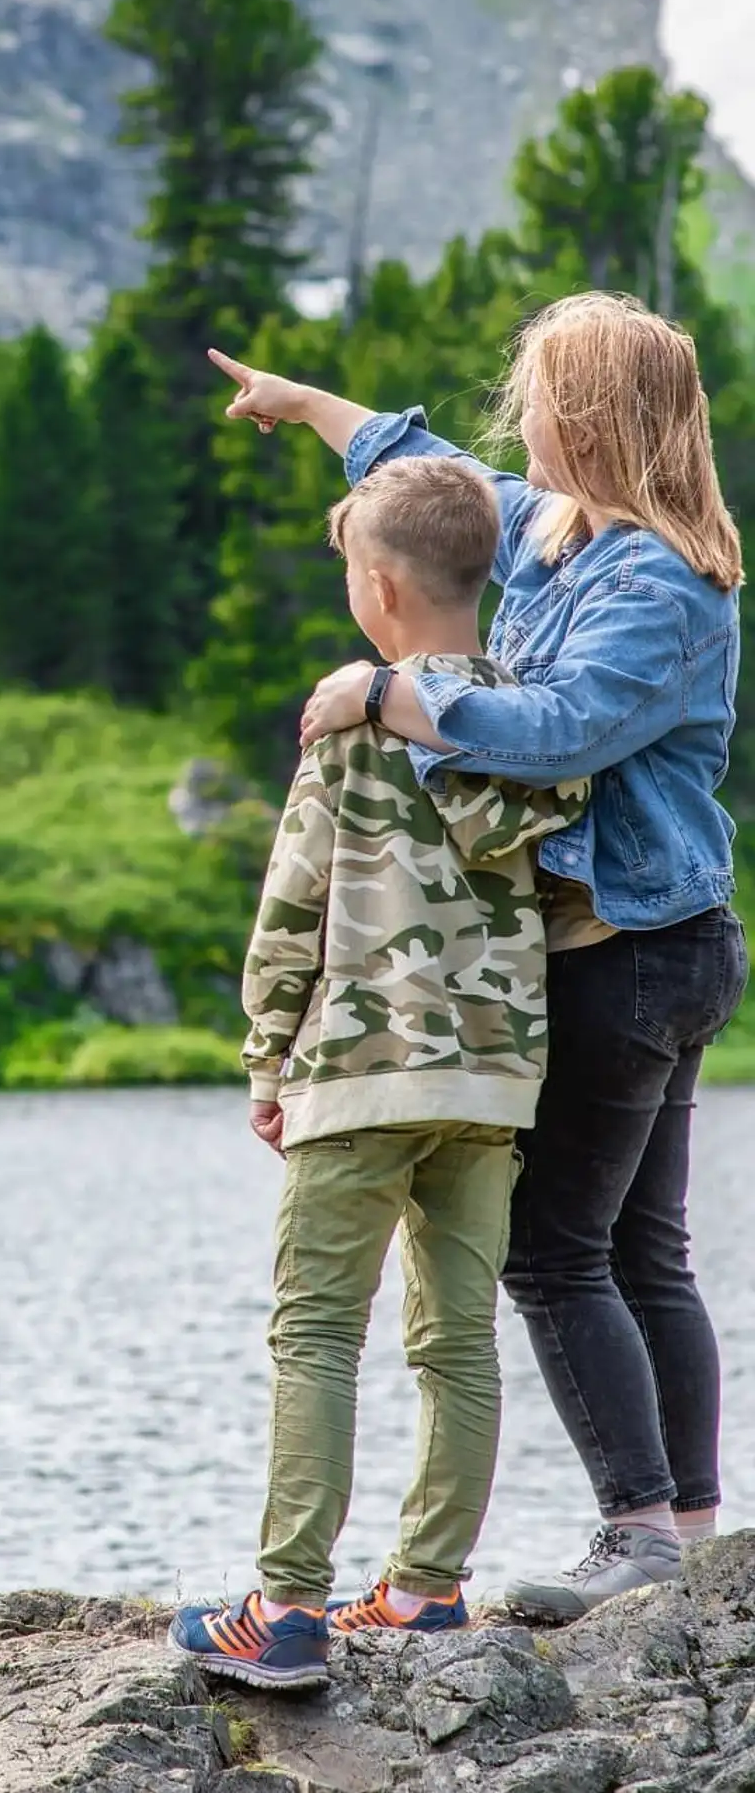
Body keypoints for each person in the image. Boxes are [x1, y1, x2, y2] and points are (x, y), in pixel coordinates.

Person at [209, 292, 747, 1626]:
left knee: (559, 1252)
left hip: (631, 945)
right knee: (642, 1242)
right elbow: (435, 482)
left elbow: (559, 730)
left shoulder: (660, 583)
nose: (523, 417)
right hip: (652, 942)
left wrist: (384, 692)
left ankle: (640, 1528)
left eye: (544, 396)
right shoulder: (565, 532)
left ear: (597, 419)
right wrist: (306, 403)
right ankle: (688, 1532)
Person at [169, 458, 586, 1692]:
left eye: (353, 570)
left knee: (316, 1332)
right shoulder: (538, 724)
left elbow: (292, 905)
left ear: (383, 587)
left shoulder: (349, 725)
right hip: (491, 1082)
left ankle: (289, 1605)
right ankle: (426, 1585)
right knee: (458, 1338)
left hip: (357, 1072)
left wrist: (266, 1055)